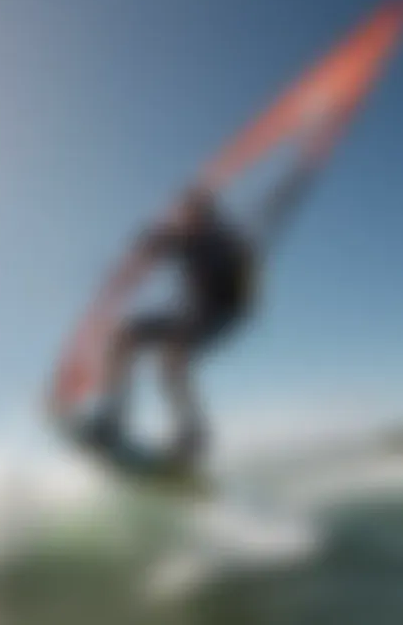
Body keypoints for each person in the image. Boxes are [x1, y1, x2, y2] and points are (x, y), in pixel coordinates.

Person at [90, 158, 317, 472]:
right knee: (125, 336)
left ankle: (192, 436)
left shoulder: (226, 240)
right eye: (186, 214)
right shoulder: (182, 239)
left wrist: (242, 272)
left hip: (224, 314)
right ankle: (112, 419)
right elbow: (151, 244)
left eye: (195, 213)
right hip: (190, 314)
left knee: (172, 358)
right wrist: (145, 241)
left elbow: (254, 255)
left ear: (208, 214)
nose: (189, 219)